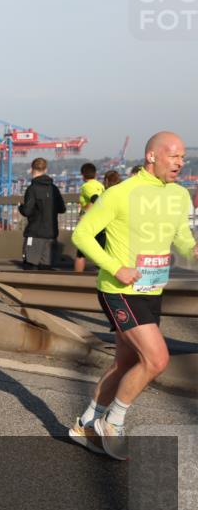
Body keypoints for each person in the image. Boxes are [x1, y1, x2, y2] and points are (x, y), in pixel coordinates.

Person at [69, 132, 196, 461]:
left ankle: (85, 423)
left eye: (183, 156)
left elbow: (181, 237)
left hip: (152, 290)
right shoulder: (119, 194)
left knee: (126, 361)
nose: (180, 162)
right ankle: (113, 422)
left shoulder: (180, 195)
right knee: (157, 359)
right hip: (119, 290)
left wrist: (194, 249)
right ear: (152, 157)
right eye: (173, 156)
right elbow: (82, 233)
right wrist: (115, 266)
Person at [18, 157, 66, 270]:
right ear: (46, 169)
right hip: (51, 234)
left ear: (32, 169)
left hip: (35, 233)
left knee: (30, 266)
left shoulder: (32, 189)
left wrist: (20, 207)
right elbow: (62, 209)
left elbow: (27, 211)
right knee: (46, 269)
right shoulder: (54, 189)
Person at [73, 163, 106, 273]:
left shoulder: (87, 186)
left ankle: (77, 279)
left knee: (81, 253)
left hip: (90, 223)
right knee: (102, 251)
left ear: (82, 175)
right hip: (101, 222)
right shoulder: (100, 185)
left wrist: (83, 213)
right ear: (95, 174)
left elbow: (95, 199)